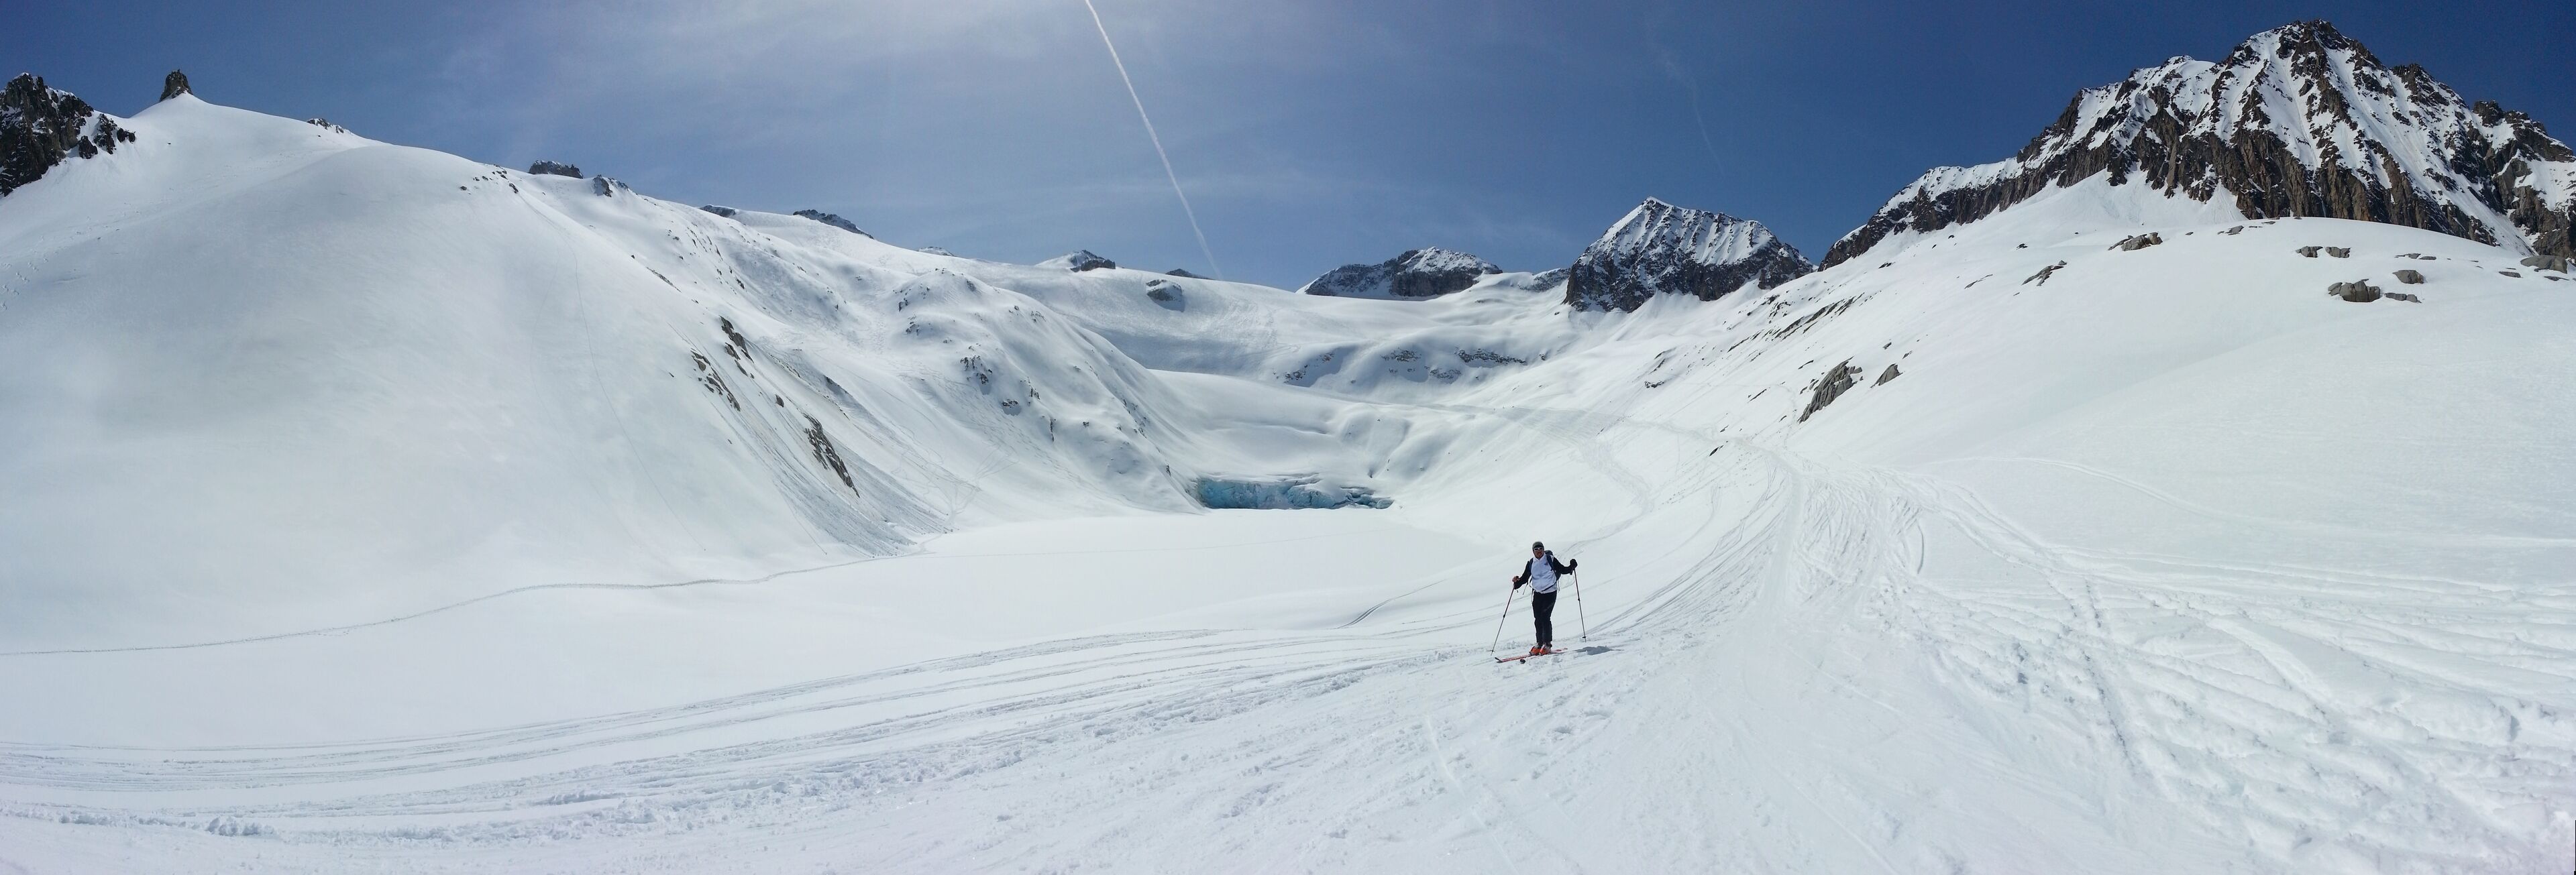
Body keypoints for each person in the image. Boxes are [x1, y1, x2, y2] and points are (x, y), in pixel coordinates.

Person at [1511, 541, 1576, 654]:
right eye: (1536, 549)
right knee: (1538, 619)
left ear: (1544, 549)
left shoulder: (1550, 559)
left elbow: (1563, 570)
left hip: (1550, 592)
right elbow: (1525, 577)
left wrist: (1572, 567)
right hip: (1537, 594)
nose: (1539, 551)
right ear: (1533, 551)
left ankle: (1547, 644)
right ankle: (1539, 643)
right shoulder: (1531, 563)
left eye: (1541, 548)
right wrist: (1517, 583)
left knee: (1545, 617)